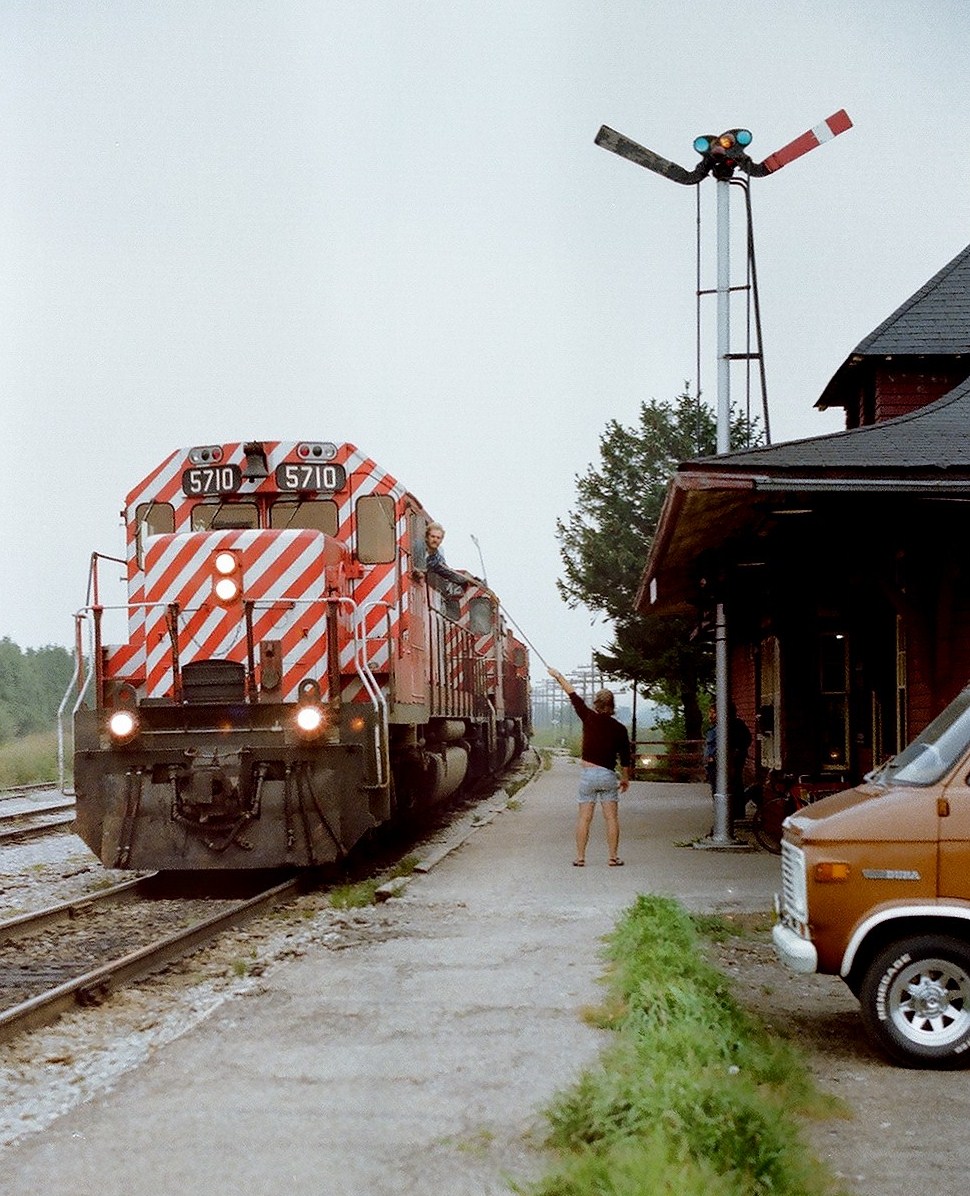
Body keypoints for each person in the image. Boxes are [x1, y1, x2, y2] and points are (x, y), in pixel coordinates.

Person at [548, 667, 631, 867]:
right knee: (611, 818)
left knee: (584, 818)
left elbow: (572, 694)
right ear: (612, 706)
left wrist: (558, 675)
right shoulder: (620, 729)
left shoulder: (588, 717)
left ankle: (580, 858)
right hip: (608, 775)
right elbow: (625, 758)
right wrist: (625, 778)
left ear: (596, 704)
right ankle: (612, 857)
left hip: (588, 775)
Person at [704, 703, 752, 821]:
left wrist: (732, 761)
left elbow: (740, 744)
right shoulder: (716, 727)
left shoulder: (732, 727)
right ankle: (726, 815)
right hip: (716, 763)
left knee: (729, 788)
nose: (711, 716)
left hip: (727, 763)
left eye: (714, 712)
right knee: (720, 789)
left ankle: (729, 816)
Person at [424, 522, 471, 591]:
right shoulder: (419, 548)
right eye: (432, 536)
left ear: (441, 540)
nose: (435, 540)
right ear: (427, 537)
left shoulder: (439, 555)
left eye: (438, 538)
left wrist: (464, 579)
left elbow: (445, 571)